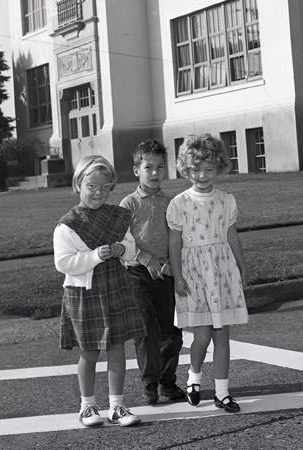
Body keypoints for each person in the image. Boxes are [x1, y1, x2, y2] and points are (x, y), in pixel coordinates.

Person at [53, 154, 144, 428]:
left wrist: (121, 250)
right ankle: (87, 406)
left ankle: (117, 406)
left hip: (114, 286)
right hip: (83, 294)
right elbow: (64, 263)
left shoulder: (117, 216)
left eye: (105, 187)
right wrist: (95, 256)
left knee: (117, 349)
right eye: (91, 186)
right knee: (90, 352)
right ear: (78, 184)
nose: (98, 192)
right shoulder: (67, 225)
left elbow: (131, 248)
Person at [167, 134, 248, 413]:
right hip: (194, 273)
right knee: (201, 337)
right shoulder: (179, 203)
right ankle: (194, 376)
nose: (202, 175)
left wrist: (240, 265)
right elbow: (174, 242)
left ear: (219, 167)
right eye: (196, 169)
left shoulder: (226, 201)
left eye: (209, 169)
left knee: (222, 334)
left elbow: (231, 234)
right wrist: (178, 276)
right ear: (186, 169)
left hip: (221, 270)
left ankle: (223, 392)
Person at [120, 140, 184, 406]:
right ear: (137, 170)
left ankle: (167, 382)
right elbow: (124, 240)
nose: (155, 173)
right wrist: (147, 260)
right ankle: (149, 383)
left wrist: (170, 261)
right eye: (148, 167)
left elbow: (178, 237)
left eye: (160, 167)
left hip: (165, 273)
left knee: (171, 331)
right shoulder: (129, 204)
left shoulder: (173, 203)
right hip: (137, 273)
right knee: (146, 329)